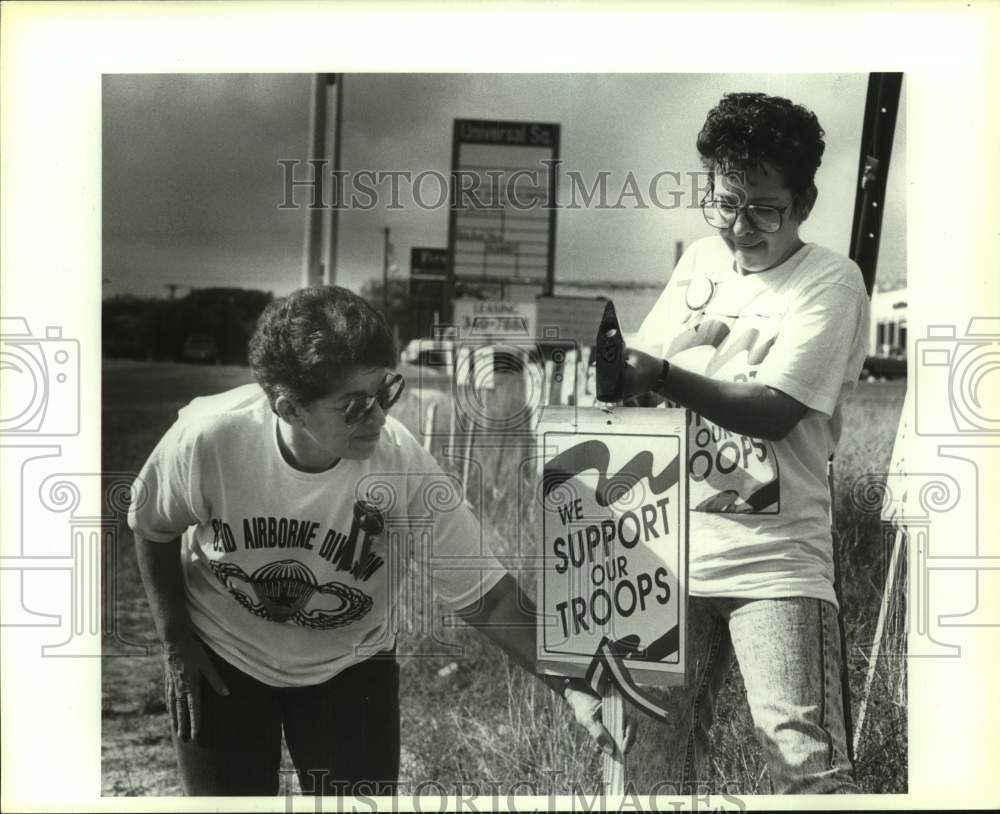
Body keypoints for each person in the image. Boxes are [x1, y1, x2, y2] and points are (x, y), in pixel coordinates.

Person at [128, 285, 625, 797]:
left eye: (385, 392)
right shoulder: (212, 439)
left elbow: (490, 596)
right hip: (224, 656)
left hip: (349, 665)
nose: (379, 417)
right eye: (354, 405)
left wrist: (571, 684)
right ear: (289, 407)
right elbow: (152, 526)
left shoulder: (400, 465)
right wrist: (176, 643)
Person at [617, 92, 870, 793]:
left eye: (764, 209)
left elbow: (774, 410)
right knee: (649, 761)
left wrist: (661, 374)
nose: (739, 227)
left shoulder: (830, 281)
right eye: (726, 202)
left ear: (806, 201)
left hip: (777, 566)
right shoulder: (699, 261)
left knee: (803, 765)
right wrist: (623, 379)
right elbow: (646, 370)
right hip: (667, 555)